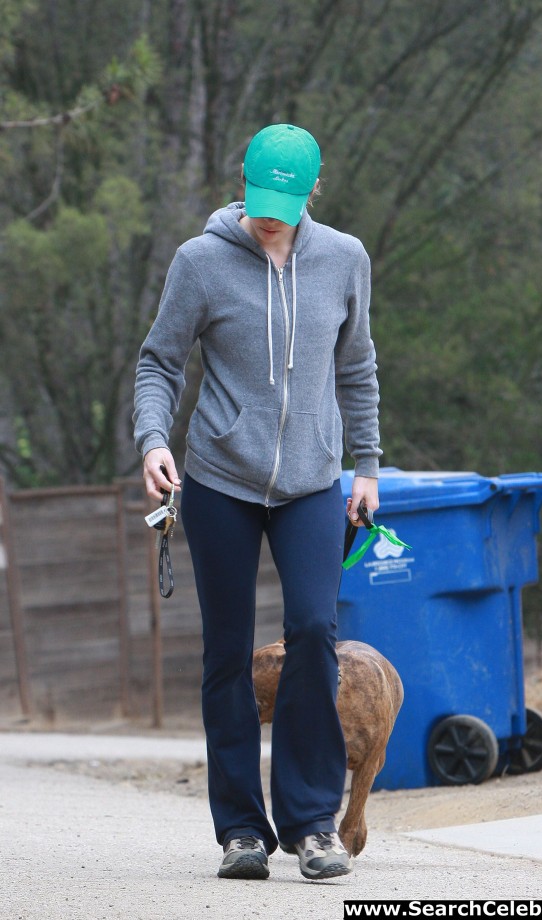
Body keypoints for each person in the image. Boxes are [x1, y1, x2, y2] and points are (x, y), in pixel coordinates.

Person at [133, 123, 381, 881]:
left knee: (313, 631)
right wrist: (153, 440)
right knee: (227, 652)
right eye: (259, 198)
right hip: (218, 480)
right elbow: (159, 362)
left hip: (312, 479)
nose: (269, 214)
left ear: (313, 189)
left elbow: (358, 363)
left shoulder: (344, 258)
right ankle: (241, 827)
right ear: (242, 183)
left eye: (285, 199)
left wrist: (366, 464)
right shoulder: (201, 262)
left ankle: (311, 824)